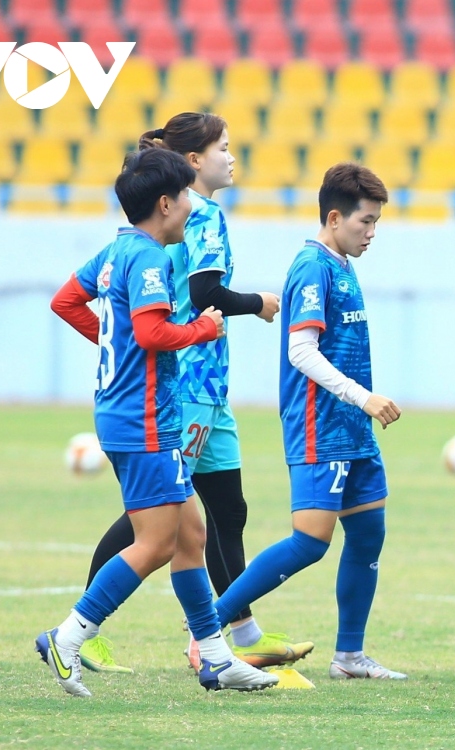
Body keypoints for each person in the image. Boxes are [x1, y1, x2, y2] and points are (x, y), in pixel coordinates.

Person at [74, 113, 311, 675]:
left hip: (209, 384)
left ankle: (243, 632)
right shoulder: (202, 214)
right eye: (223, 147)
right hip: (188, 383)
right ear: (195, 161)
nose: (232, 156)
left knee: (227, 510)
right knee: (157, 521)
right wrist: (257, 303)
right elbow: (205, 291)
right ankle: (82, 630)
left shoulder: (185, 215)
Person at [41, 147, 278, 696]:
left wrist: (116, 343)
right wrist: (202, 329)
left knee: (192, 534)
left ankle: (216, 658)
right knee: (154, 544)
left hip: (136, 412)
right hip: (143, 418)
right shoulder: (148, 259)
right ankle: (68, 636)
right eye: (186, 198)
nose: (193, 208)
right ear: (166, 204)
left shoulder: (115, 250)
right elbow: (150, 334)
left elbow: (67, 302)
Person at [205, 162, 407, 680]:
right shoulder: (312, 266)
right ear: (335, 218)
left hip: (353, 429)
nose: (372, 232)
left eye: (376, 222)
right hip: (322, 426)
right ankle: (206, 629)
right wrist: (363, 398)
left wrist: (360, 406)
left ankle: (350, 658)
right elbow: (301, 351)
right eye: (365, 221)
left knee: (368, 534)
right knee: (310, 542)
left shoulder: (342, 263)